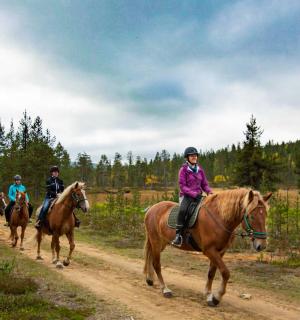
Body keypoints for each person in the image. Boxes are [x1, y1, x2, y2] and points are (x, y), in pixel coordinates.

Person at [171, 147, 212, 247]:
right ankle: (178, 236)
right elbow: (182, 186)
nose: (194, 157)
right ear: (187, 158)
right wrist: (194, 194)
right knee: (183, 210)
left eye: (195, 155)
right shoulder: (183, 170)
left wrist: (209, 192)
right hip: (186, 196)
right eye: (191, 156)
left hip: (199, 196)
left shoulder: (200, 170)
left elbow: (205, 184)